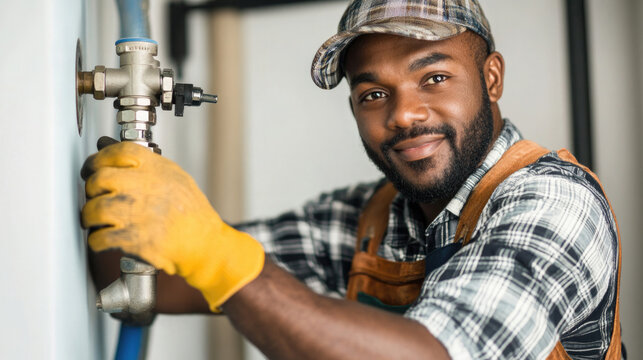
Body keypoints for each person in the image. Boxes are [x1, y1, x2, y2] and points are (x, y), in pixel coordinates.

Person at [82, 0, 622, 358]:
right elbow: (141, 280)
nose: (404, 114)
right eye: (374, 94)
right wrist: (123, 207)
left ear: (491, 78)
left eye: (433, 77)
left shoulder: (554, 201)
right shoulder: (360, 221)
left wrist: (221, 255)